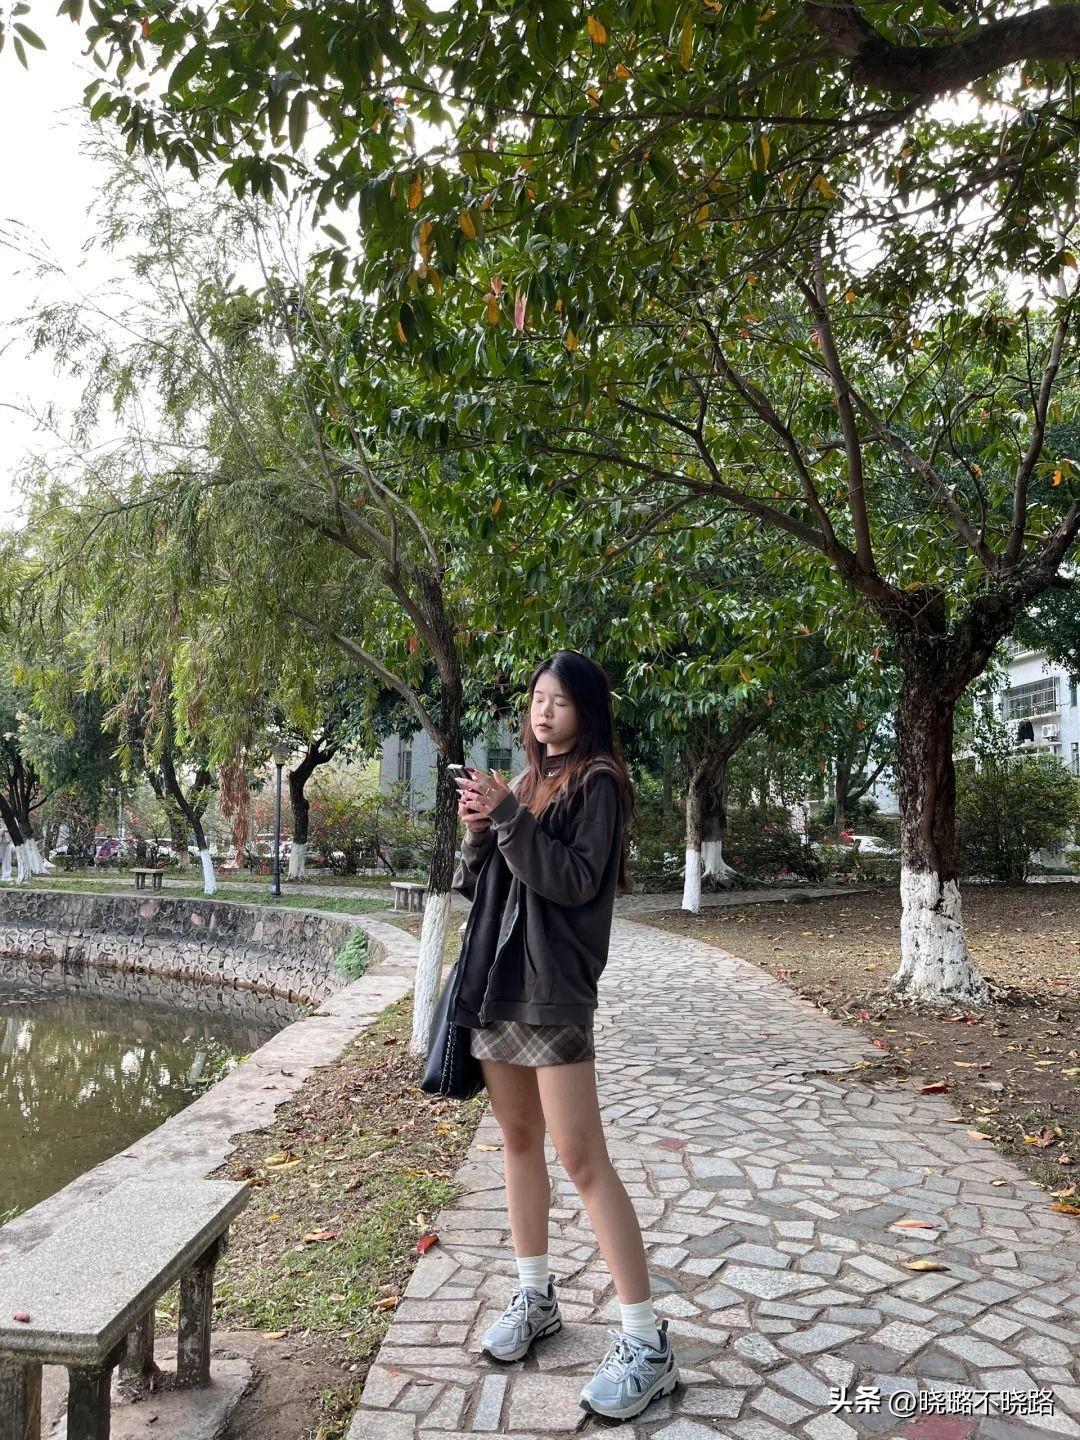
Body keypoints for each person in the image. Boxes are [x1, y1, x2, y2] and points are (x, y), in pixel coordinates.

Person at [450, 649, 680, 1423]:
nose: (543, 712)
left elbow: (576, 881)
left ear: (587, 711)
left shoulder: (598, 782)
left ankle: (647, 1342)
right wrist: (480, 829)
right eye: (537, 699)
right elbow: (483, 885)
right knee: (518, 1143)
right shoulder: (523, 784)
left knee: (582, 1159)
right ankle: (535, 1296)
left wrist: (509, 819)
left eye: (559, 701)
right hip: (498, 984)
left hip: (553, 991)